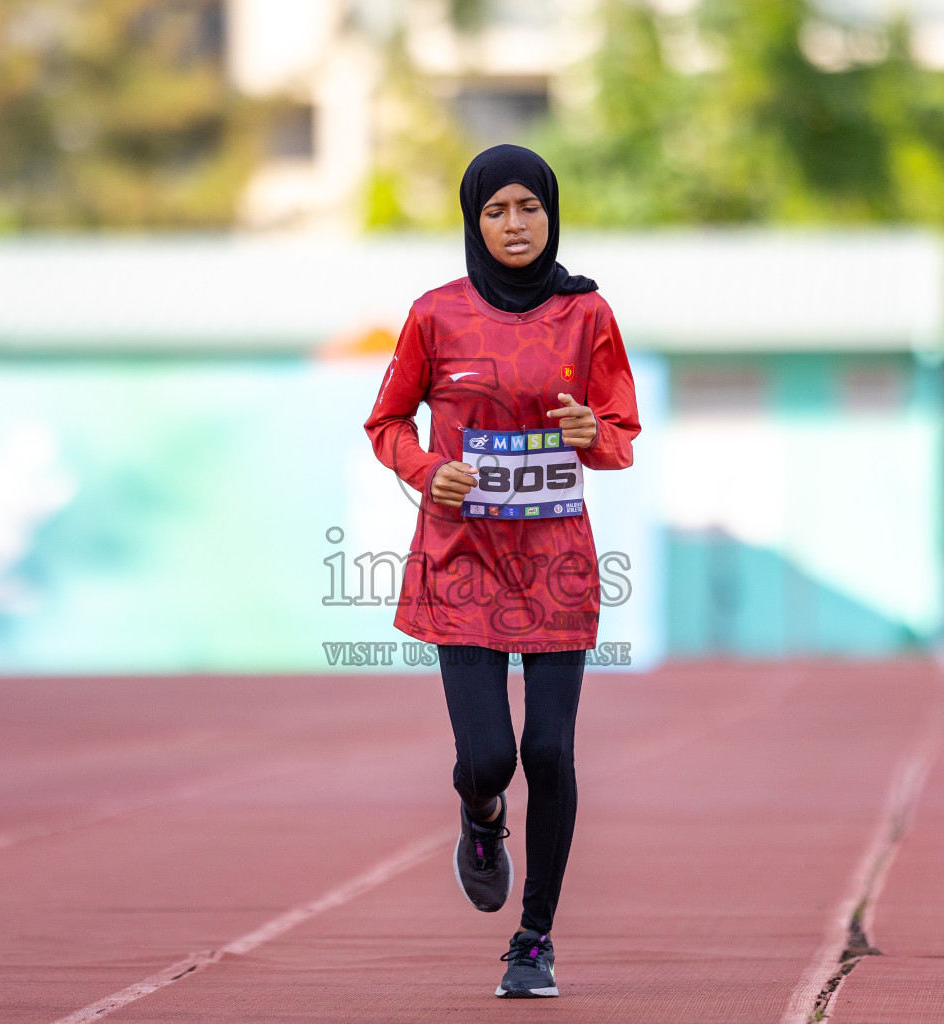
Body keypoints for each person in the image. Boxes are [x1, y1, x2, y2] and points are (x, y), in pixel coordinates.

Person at [364, 144, 640, 998]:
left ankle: (534, 940)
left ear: (551, 213)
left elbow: (622, 433)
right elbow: (386, 422)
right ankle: (481, 815)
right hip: (463, 564)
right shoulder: (434, 315)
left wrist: (593, 434)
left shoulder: (586, 316)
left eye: (529, 208)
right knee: (490, 758)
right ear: (473, 221)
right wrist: (424, 469)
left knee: (548, 752)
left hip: (555, 566)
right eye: (496, 211)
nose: (514, 225)